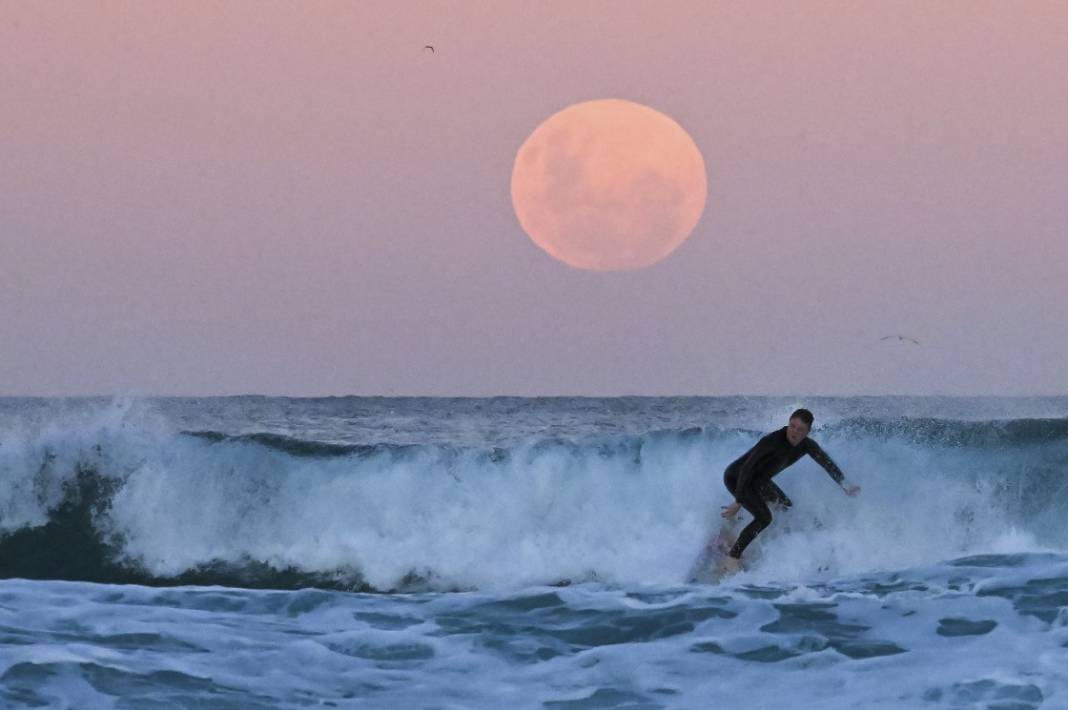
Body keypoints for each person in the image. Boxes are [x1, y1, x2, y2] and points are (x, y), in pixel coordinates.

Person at [719, 408, 859, 573]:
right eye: (792, 426)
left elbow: (826, 463)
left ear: (807, 432)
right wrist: (738, 502)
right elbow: (746, 469)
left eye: (800, 429)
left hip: (759, 482)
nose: (794, 431)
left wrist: (845, 485)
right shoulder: (771, 441)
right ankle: (732, 558)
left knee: (785, 507)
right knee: (764, 517)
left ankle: (732, 533)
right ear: (788, 424)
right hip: (737, 478)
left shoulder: (807, 445)